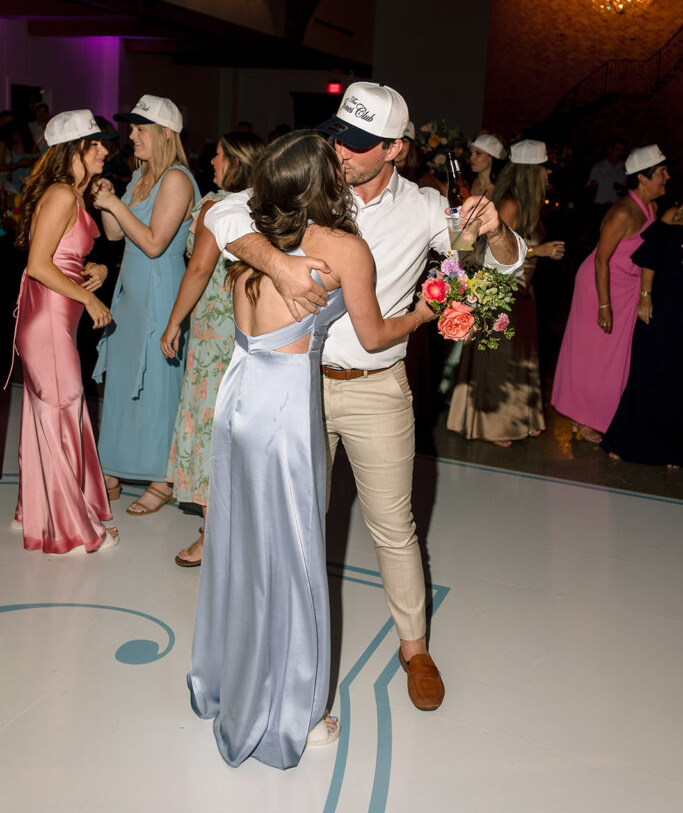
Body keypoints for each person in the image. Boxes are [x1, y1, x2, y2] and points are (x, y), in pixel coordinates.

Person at [203, 82, 525, 713]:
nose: (340, 151)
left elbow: (506, 267)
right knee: (297, 526)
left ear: (396, 149)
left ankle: (416, 648)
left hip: (378, 388)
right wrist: (279, 263)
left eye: (356, 143)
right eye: (337, 135)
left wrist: (497, 229)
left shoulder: (429, 208)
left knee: (394, 527)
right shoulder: (312, 186)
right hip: (296, 387)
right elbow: (222, 215)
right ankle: (286, 649)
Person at [189, 131, 438, 769]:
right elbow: (376, 334)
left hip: (239, 396)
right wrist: (427, 311)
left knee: (244, 543)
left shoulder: (254, 236)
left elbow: (221, 214)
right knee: (295, 555)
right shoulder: (343, 249)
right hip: (284, 414)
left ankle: (226, 682)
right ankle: (293, 709)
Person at [10, 109, 118, 554]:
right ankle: (71, 528)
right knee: (62, 408)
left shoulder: (73, 195)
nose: (106, 151)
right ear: (76, 148)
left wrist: (93, 269)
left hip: (54, 317)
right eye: (97, 144)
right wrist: (90, 298)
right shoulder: (60, 193)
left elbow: (63, 257)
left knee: (49, 414)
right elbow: (38, 265)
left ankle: (35, 512)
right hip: (49, 320)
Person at [91, 95, 200, 511]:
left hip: (160, 290)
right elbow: (117, 236)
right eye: (132, 129)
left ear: (165, 134)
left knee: (156, 384)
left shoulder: (175, 178)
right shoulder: (142, 174)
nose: (131, 136)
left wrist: (115, 202)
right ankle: (113, 469)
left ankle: (163, 477)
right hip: (130, 290)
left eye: (140, 130)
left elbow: (154, 244)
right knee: (120, 381)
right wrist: (107, 198)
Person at [161, 131, 264, 566]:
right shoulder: (266, 204)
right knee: (239, 427)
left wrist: (173, 322)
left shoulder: (217, 207)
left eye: (219, 154)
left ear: (236, 162)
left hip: (212, 331)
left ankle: (213, 534)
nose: (213, 160)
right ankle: (241, 528)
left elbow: (199, 268)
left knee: (208, 425)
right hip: (250, 324)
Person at [448, 141, 565, 445]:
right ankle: (493, 423)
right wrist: (540, 249)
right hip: (505, 289)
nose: (548, 176)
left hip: (524, 289)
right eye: (544, 170)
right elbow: (491, 252)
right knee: (501, 355)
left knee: (521, 354)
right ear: (531, 172)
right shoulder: (510, 204)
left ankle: (521, 416)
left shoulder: (527, 204)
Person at [551, 145, 668, 442]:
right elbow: (601, 259)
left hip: (627, 287)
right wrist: (604, 305)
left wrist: (645, 292)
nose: (666, 178)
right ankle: (583, 419)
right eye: (660, 173)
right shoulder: (621, 212)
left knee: (616, 357)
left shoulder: (651, 207)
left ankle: (607, 413)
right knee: (594, 354)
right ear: (642, 178)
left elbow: (648, 254)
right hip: (600, 285)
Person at [601, 200, 683, 467]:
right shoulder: (674, 214)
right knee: (648, 371)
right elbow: (651, 256)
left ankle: (673, 449)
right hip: (661, 308)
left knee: (676, 379)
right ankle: (629, 443)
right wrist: (645, 296)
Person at [468, 133, 507, 199]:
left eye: (478, 153)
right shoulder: (467, 182)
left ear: (491, 157)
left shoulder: (501, 189)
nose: (471, 158)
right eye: (471, 153)